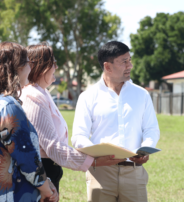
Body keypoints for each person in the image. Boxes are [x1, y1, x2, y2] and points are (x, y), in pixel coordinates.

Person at [20, 42, 125, 193]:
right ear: (42, 66)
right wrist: (93, 161)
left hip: (49, 169)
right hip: (41, 172)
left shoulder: (42, 92)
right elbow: (52, 147)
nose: (56, 67)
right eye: (53, 63)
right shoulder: (33, 96)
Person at [72, 41, 160, 202]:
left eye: (130, 60)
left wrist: (146, 149)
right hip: (100, 173)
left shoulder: (142, 95)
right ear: (107, 67)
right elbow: (78, 136)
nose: (130, 65)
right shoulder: (87, 97)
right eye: (124, 61)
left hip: (134, 173)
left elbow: (151, 129)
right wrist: (97, 154)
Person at [0, 42, 58, 202]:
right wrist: (46, 189)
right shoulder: (9, 107)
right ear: (17, 67)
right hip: (11, 193)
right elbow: (28, 159)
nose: (30, 68)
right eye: (29, 62)